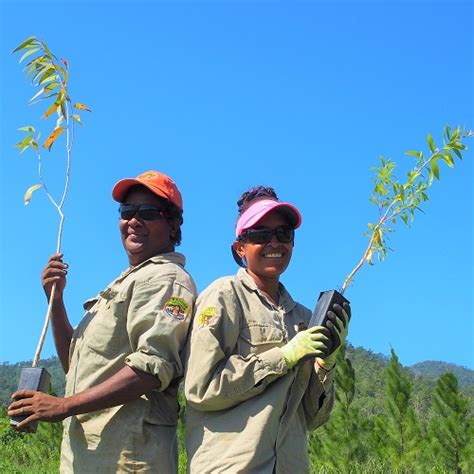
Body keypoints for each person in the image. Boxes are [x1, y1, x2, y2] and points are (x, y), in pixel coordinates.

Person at [8, 170, 197, 473]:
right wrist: (55, 302)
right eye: (127, 212)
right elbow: (74, 367)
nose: (134, 220)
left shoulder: (166, 279)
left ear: (173, 225)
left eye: (148, 213)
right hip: (91, 456)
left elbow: (151, 368)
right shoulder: (124, 284)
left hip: (128, 457)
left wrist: (64, 406)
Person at [184, 186, 351, 473]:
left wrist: (327, 363)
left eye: (283, 234)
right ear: (240, 247)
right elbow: (201, 388)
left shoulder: (303, 317)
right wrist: (283, 357)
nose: (274, 242)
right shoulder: (224, 296)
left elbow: (312, 419)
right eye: (261, 234)